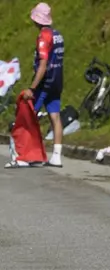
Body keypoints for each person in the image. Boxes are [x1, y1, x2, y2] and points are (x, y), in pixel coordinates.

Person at [20, 2, 64, 168]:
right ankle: (57, 156)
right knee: (55, 116)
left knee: (30, 114)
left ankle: (27, 154)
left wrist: (32, 88)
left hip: (45, 82)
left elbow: (43, 64)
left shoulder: (43, 37)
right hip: (58, 80)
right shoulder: (58, 35)